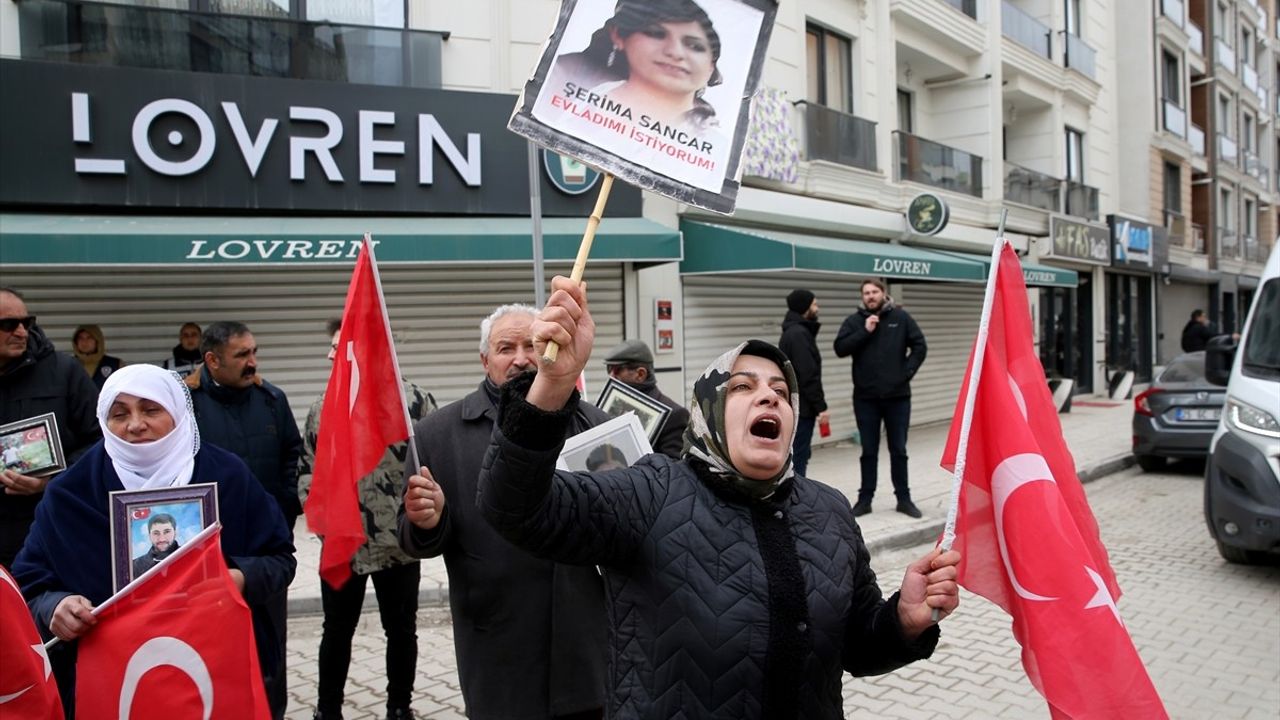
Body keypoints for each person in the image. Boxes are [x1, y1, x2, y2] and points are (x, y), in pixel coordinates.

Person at [474, 276, 962, 720]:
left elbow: (856, 647)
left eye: (780, 391)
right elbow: (515, 508)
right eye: (742, 387)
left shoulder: (830, 511)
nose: (768, 398)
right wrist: (553, 385)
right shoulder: (650, 491)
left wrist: (902, 621)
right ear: (707, 413)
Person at [11, 364, 295, 716]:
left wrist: (236, 577)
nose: (135, 424)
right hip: (113, 684)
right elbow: (29, 581)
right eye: (119, 414)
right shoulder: (71, 493)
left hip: (214, 671)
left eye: (151, 409)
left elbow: (280, 558)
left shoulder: (227, 476)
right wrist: (55, 606)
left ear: (177, 411)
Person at [397, 303, 611, 720]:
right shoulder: (438, 434)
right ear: (484, 360)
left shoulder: (596, 426)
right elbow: (413, 538)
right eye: (505, 348)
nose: (520, 358)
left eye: (532, 345)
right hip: (497, 642)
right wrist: (428, 520)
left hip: (584, 643)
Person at [299, 318, 435, 720]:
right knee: (336, 632)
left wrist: (425, 520)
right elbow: (307, 470)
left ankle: (399, 707)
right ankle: (328, 710)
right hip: (345, 544)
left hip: (399, 544)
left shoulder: (414, 404)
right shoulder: (325, 407)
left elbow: (434, 466)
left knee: (401, 630)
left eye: (338, 347)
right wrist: (323, 522)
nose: (329, 354)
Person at [185, 320, 301, 718]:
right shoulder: (187, 405)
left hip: (265, 552)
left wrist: (283, 508)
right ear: (212, 361)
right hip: (207, 555)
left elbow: (293, 455)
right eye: (242, 355)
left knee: (271, 649)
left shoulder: (271, 399)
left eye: (254, 352)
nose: (253, 363)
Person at [0, 288, 101, 568]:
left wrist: (53, 479)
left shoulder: (64, 371)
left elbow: (101, 440)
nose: (21, 332)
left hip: (45, 528)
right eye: (8, 325)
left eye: (26, 323)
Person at [544, 0, 724, 133]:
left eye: (694, 46)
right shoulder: (566, 73)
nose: (676, 52)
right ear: (619, 35)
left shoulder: (707, 129)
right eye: (656, 33)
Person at [834, 280, 928, 519]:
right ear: (862, 297)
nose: (871, 296)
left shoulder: (900, 317)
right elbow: (840, 348)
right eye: (866, 293)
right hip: (866, 399)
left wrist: (905, 373)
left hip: (898, 398)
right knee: (868, 451)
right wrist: (864, 331)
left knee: (899, 449)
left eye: (874, 292)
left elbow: (919, 346)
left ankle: (904, 499)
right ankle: (865, 499)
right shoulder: (854, 321)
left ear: (883, 294)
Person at [602, 339, 690, 458]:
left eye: (617, 370)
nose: (611, 376)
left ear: (640, 374)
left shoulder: (674, 415)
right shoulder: (612, 407)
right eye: (609, 369)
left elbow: (674, 470)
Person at [778, 289, 829, 477]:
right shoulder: (799, 334)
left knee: (798, 454)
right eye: (814, 304)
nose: (817, 308)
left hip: (798, 406)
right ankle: (796, 500)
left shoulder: (795, 331)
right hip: (802, 408)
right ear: (804, 307)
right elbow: (808, 374)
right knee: (798, 457)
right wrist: (821, 406)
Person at [71, 324, 123, 390]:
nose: (84, 342)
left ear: (97, 341)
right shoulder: (67, 365)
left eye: (89, 338)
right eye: (80, 338)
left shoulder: (115, 365)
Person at [130, 512, 179, 579]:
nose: (162, 539)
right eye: (156, 533)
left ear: (175, 533)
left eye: (167, 532)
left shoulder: (194, 557)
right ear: (149, 535)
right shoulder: (134, 567)